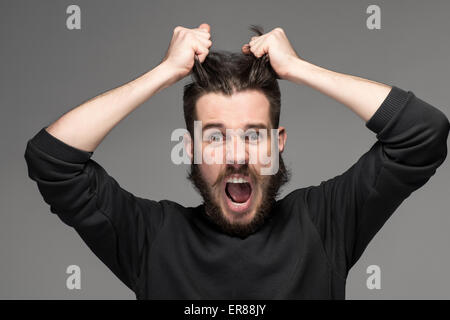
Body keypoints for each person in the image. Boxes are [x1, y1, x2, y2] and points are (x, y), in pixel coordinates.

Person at [24, 23, 449, 299]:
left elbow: (423, 134)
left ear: (277, 143)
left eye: (253, 135)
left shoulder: (325, 222)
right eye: (214, 138)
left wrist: (299, 69)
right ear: (189, 148)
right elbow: (52, 159)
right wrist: (164, 73)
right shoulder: (150, 239)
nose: (237, 156)